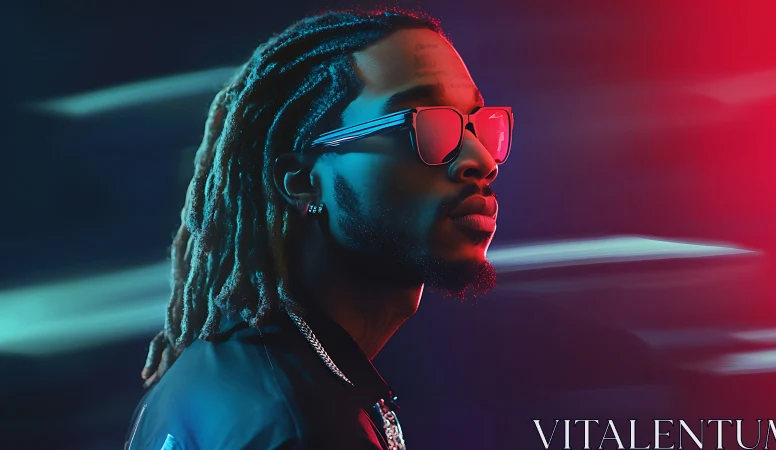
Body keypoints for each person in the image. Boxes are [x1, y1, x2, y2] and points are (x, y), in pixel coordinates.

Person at [124, 7, 513, 450]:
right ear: (302, 181)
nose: (481, 161)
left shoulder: (217, 373)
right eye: (424, 125)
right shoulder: (299, 426)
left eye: (476, 125)